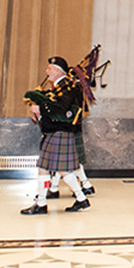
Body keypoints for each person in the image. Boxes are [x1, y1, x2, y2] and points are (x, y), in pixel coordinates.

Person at [21, 56, 91, 215]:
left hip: (60, 131)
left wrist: (41, 107)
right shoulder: (58, 87)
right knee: (49, 169)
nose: (47, 71)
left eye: (50, 68)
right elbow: (52, 104)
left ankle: (47, 203)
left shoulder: (67, 87)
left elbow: (61, 108)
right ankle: (75, 199)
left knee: (57, 170)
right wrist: (38, 105)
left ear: (59, 71)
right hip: (54, 131)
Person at [47, 66, 95, 200]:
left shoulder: (71, 89)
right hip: (67, 127)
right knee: (63, 161)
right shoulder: (67, 88)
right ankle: (82, 185)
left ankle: (83, 186)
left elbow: (71, 109)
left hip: (69, 127)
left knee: (68, 161)